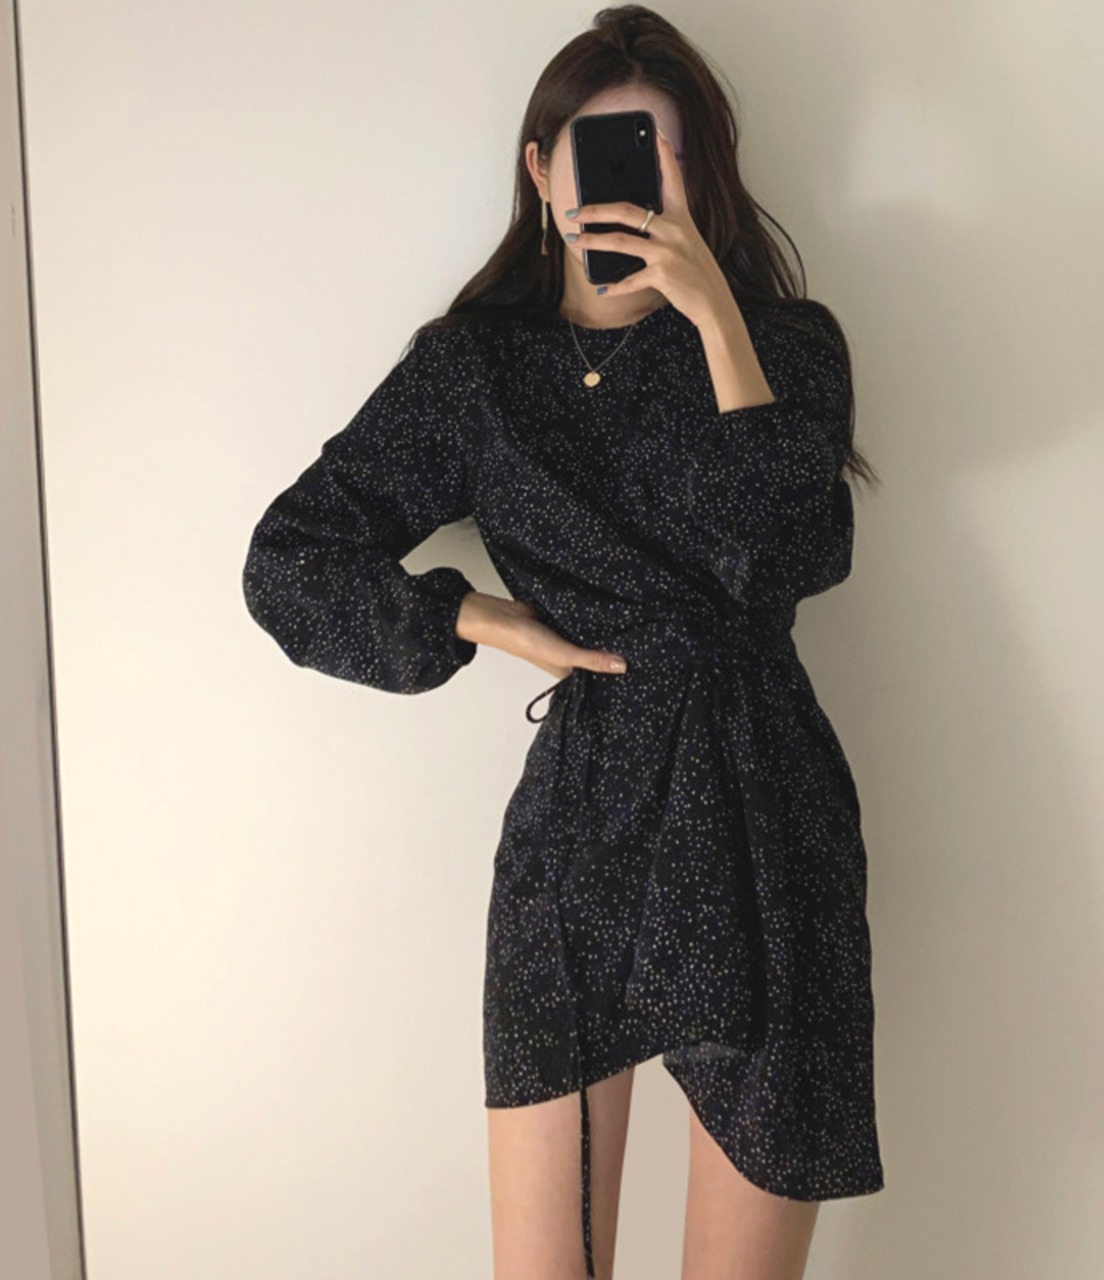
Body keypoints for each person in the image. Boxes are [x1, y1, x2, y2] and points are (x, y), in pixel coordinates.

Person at [241, 7, 884, 1278]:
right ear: (542, 169)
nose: (640, 184)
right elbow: (289, 561)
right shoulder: (473, 374)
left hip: (763, 811)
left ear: (704, 171)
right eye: (605, 153)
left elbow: (791, 554)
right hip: (583, 815)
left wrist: (714, 318)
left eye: (667, 153)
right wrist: (475, 618)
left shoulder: (785, 347)